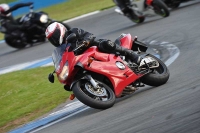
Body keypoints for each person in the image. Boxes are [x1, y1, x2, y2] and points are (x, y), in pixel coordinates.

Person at [45, 22, 150, 68]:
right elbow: (64, 59)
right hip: (86, 60)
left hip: (95, 48)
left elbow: (89, 35)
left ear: (61, 30)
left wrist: (85, 41)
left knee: (105, 43)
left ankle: (133, 56)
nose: (54, 40)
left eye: (55, 36)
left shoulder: (74, 31)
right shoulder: (62, 49)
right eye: (51, 39)